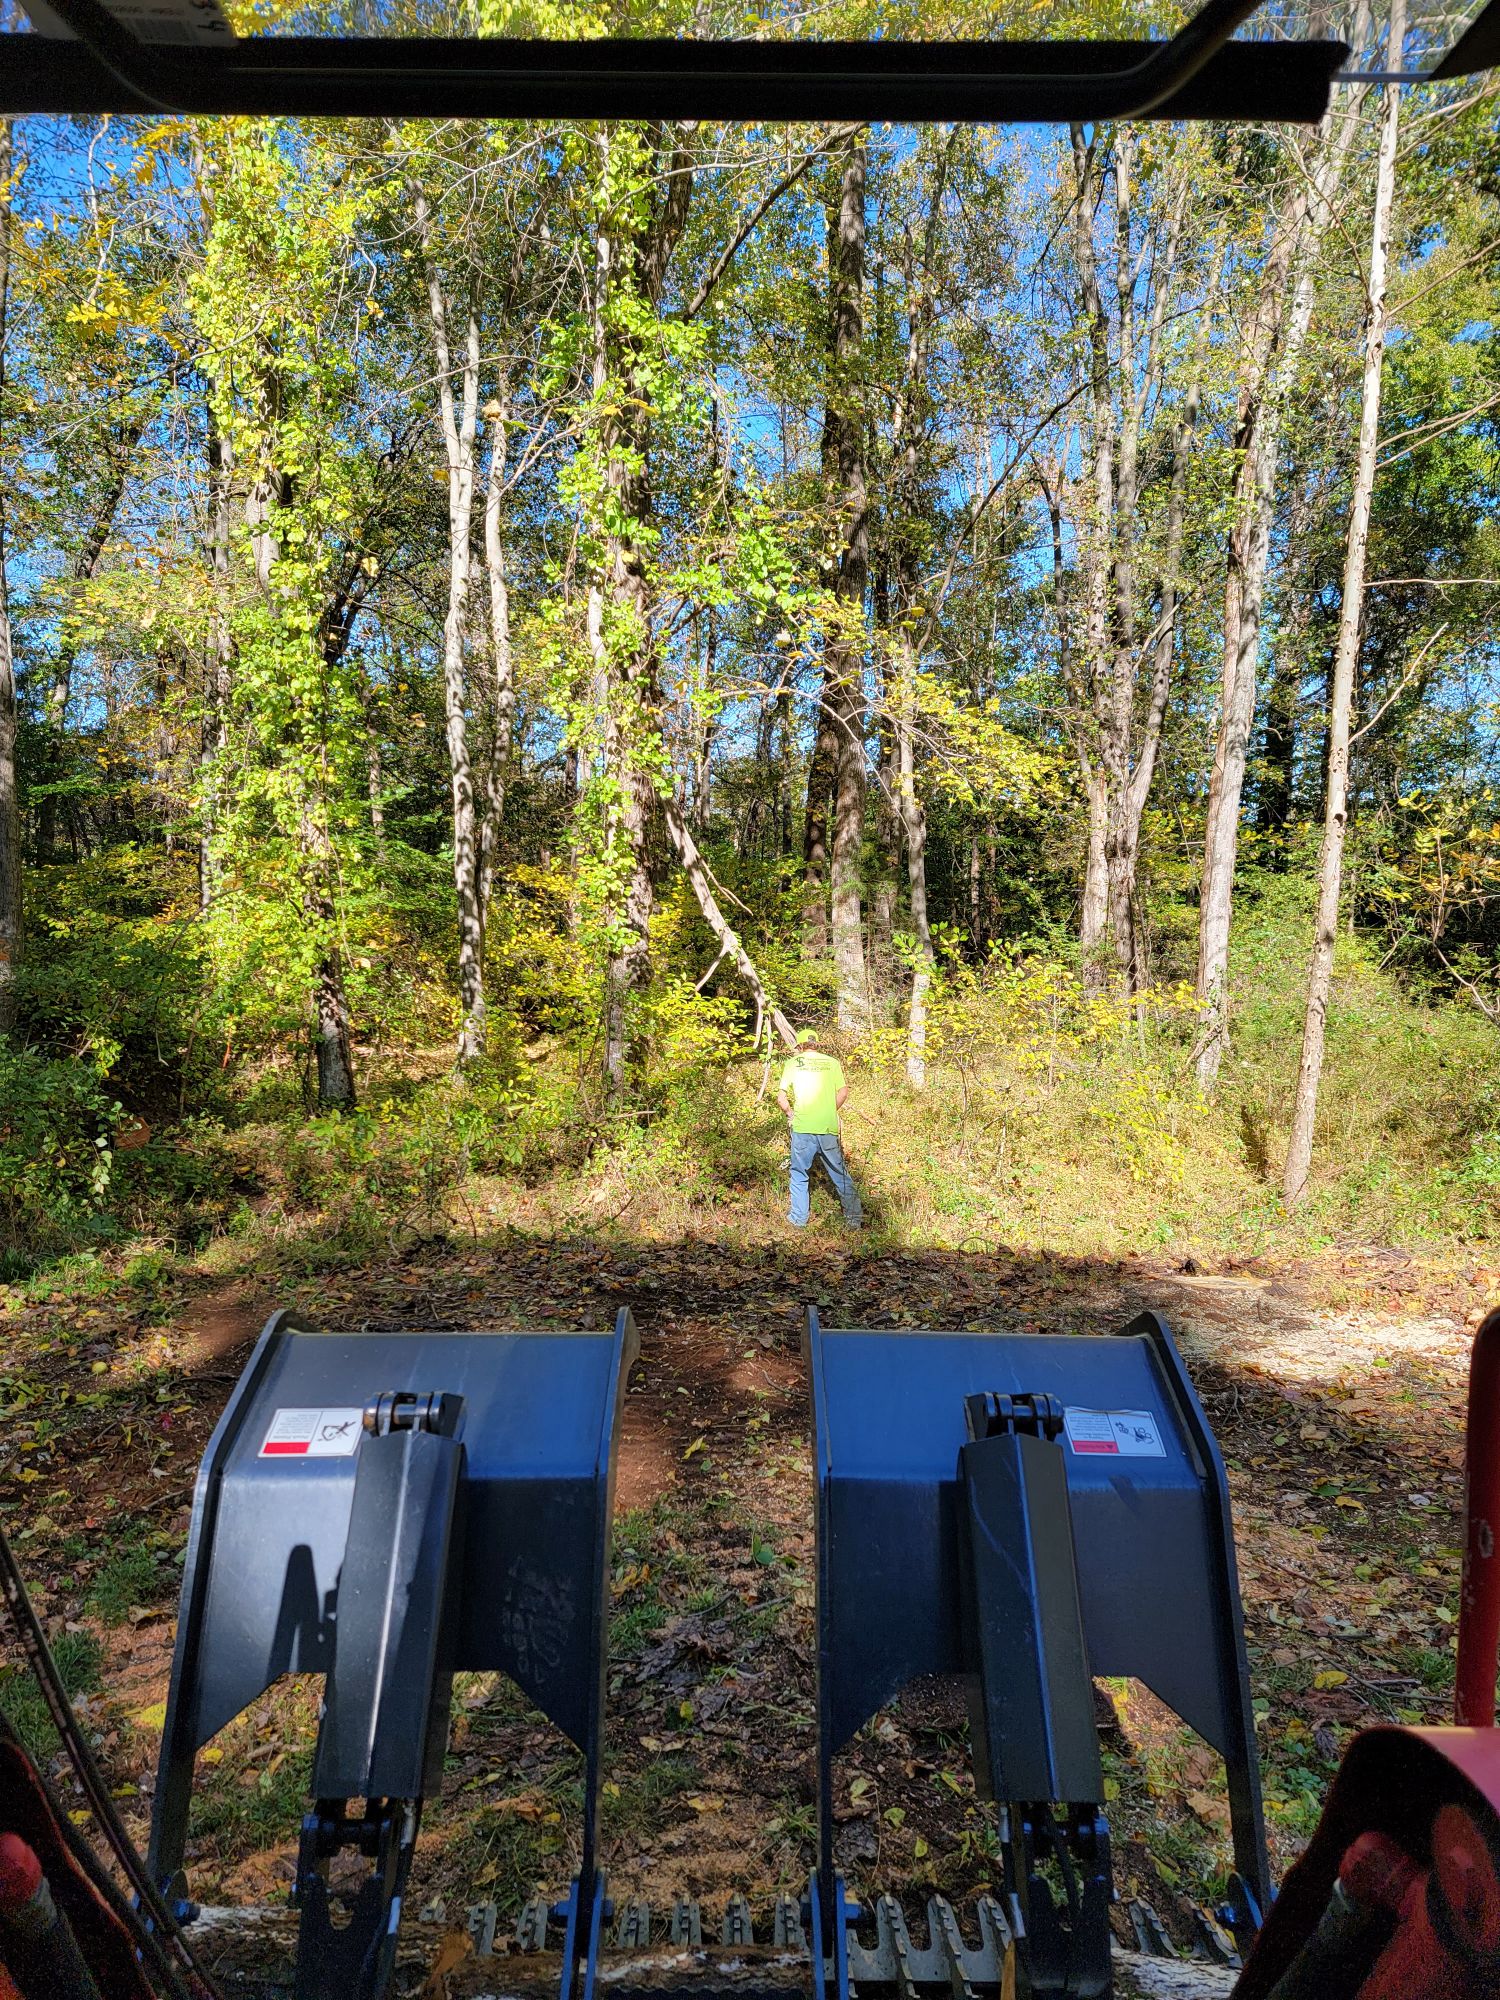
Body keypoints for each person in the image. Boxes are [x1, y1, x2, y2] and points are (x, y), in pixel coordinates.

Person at [776, 1027, 863, 1230]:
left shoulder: (792, 1063)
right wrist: (829, 1111)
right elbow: (843, 1092)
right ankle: (854, 1220)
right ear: (817, 1044)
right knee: (839, 1173)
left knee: (799, 1173)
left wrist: (790, 1114)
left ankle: (798, 1220)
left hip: (803, 1127)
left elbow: (781, 1099)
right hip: (827, 1127)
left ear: (799, 1045)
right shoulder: (832, 1063)